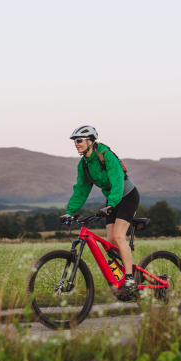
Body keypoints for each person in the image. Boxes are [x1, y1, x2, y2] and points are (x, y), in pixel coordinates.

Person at [60, 125, 140, 298]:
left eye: (79, 140)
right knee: (110, 241)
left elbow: (118, 182)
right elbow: (81, 189)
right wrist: (69, 211)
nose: (76, 144)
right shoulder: (84, 164)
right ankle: (123, 273)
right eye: (75, 141)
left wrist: (111, 204)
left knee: (119, 236)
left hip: (126, 196)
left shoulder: (106, 156)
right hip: (112, 199)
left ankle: (130, 279)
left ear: (90, 141)